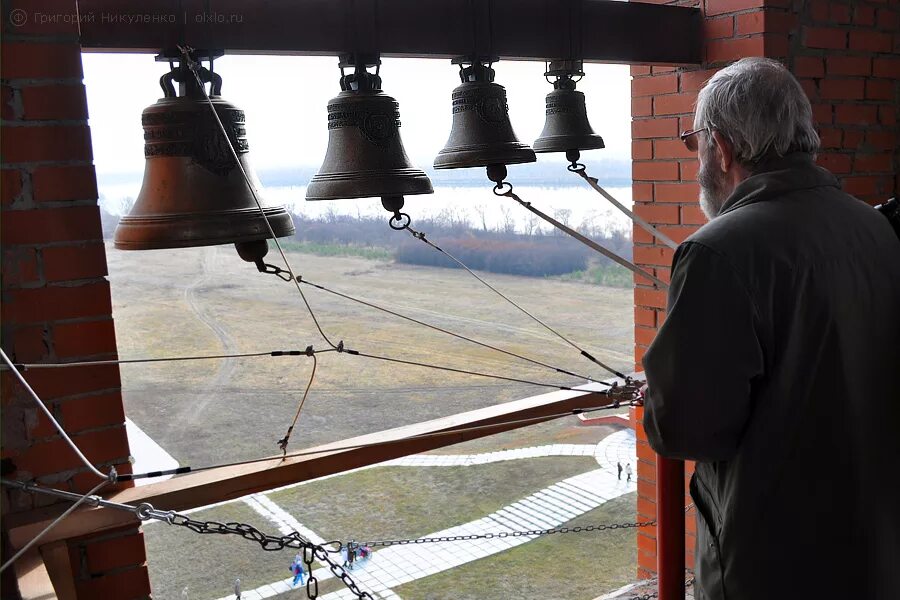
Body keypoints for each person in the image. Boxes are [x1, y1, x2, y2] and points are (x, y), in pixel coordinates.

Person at [641, 57, 900, 600]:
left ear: (724, 147)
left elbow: (689, 429)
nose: (698, 160)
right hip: (873, 546)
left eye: (695, 143)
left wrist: (658, 395)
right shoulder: (874, 227)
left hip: (773, 562)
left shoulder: (720, 252)